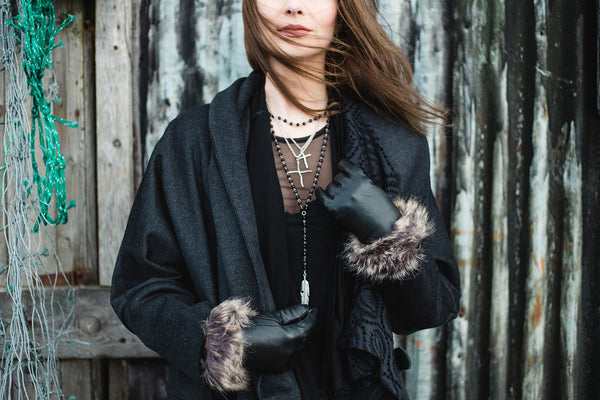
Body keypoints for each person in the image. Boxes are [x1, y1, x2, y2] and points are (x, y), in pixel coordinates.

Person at [110, 0, 461, 399]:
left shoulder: (394, 146)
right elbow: (140, 288)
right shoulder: (191, 142)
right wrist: (222, 342)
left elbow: (432, 308)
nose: (294, 7)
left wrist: (389, 235)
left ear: (342, 10)